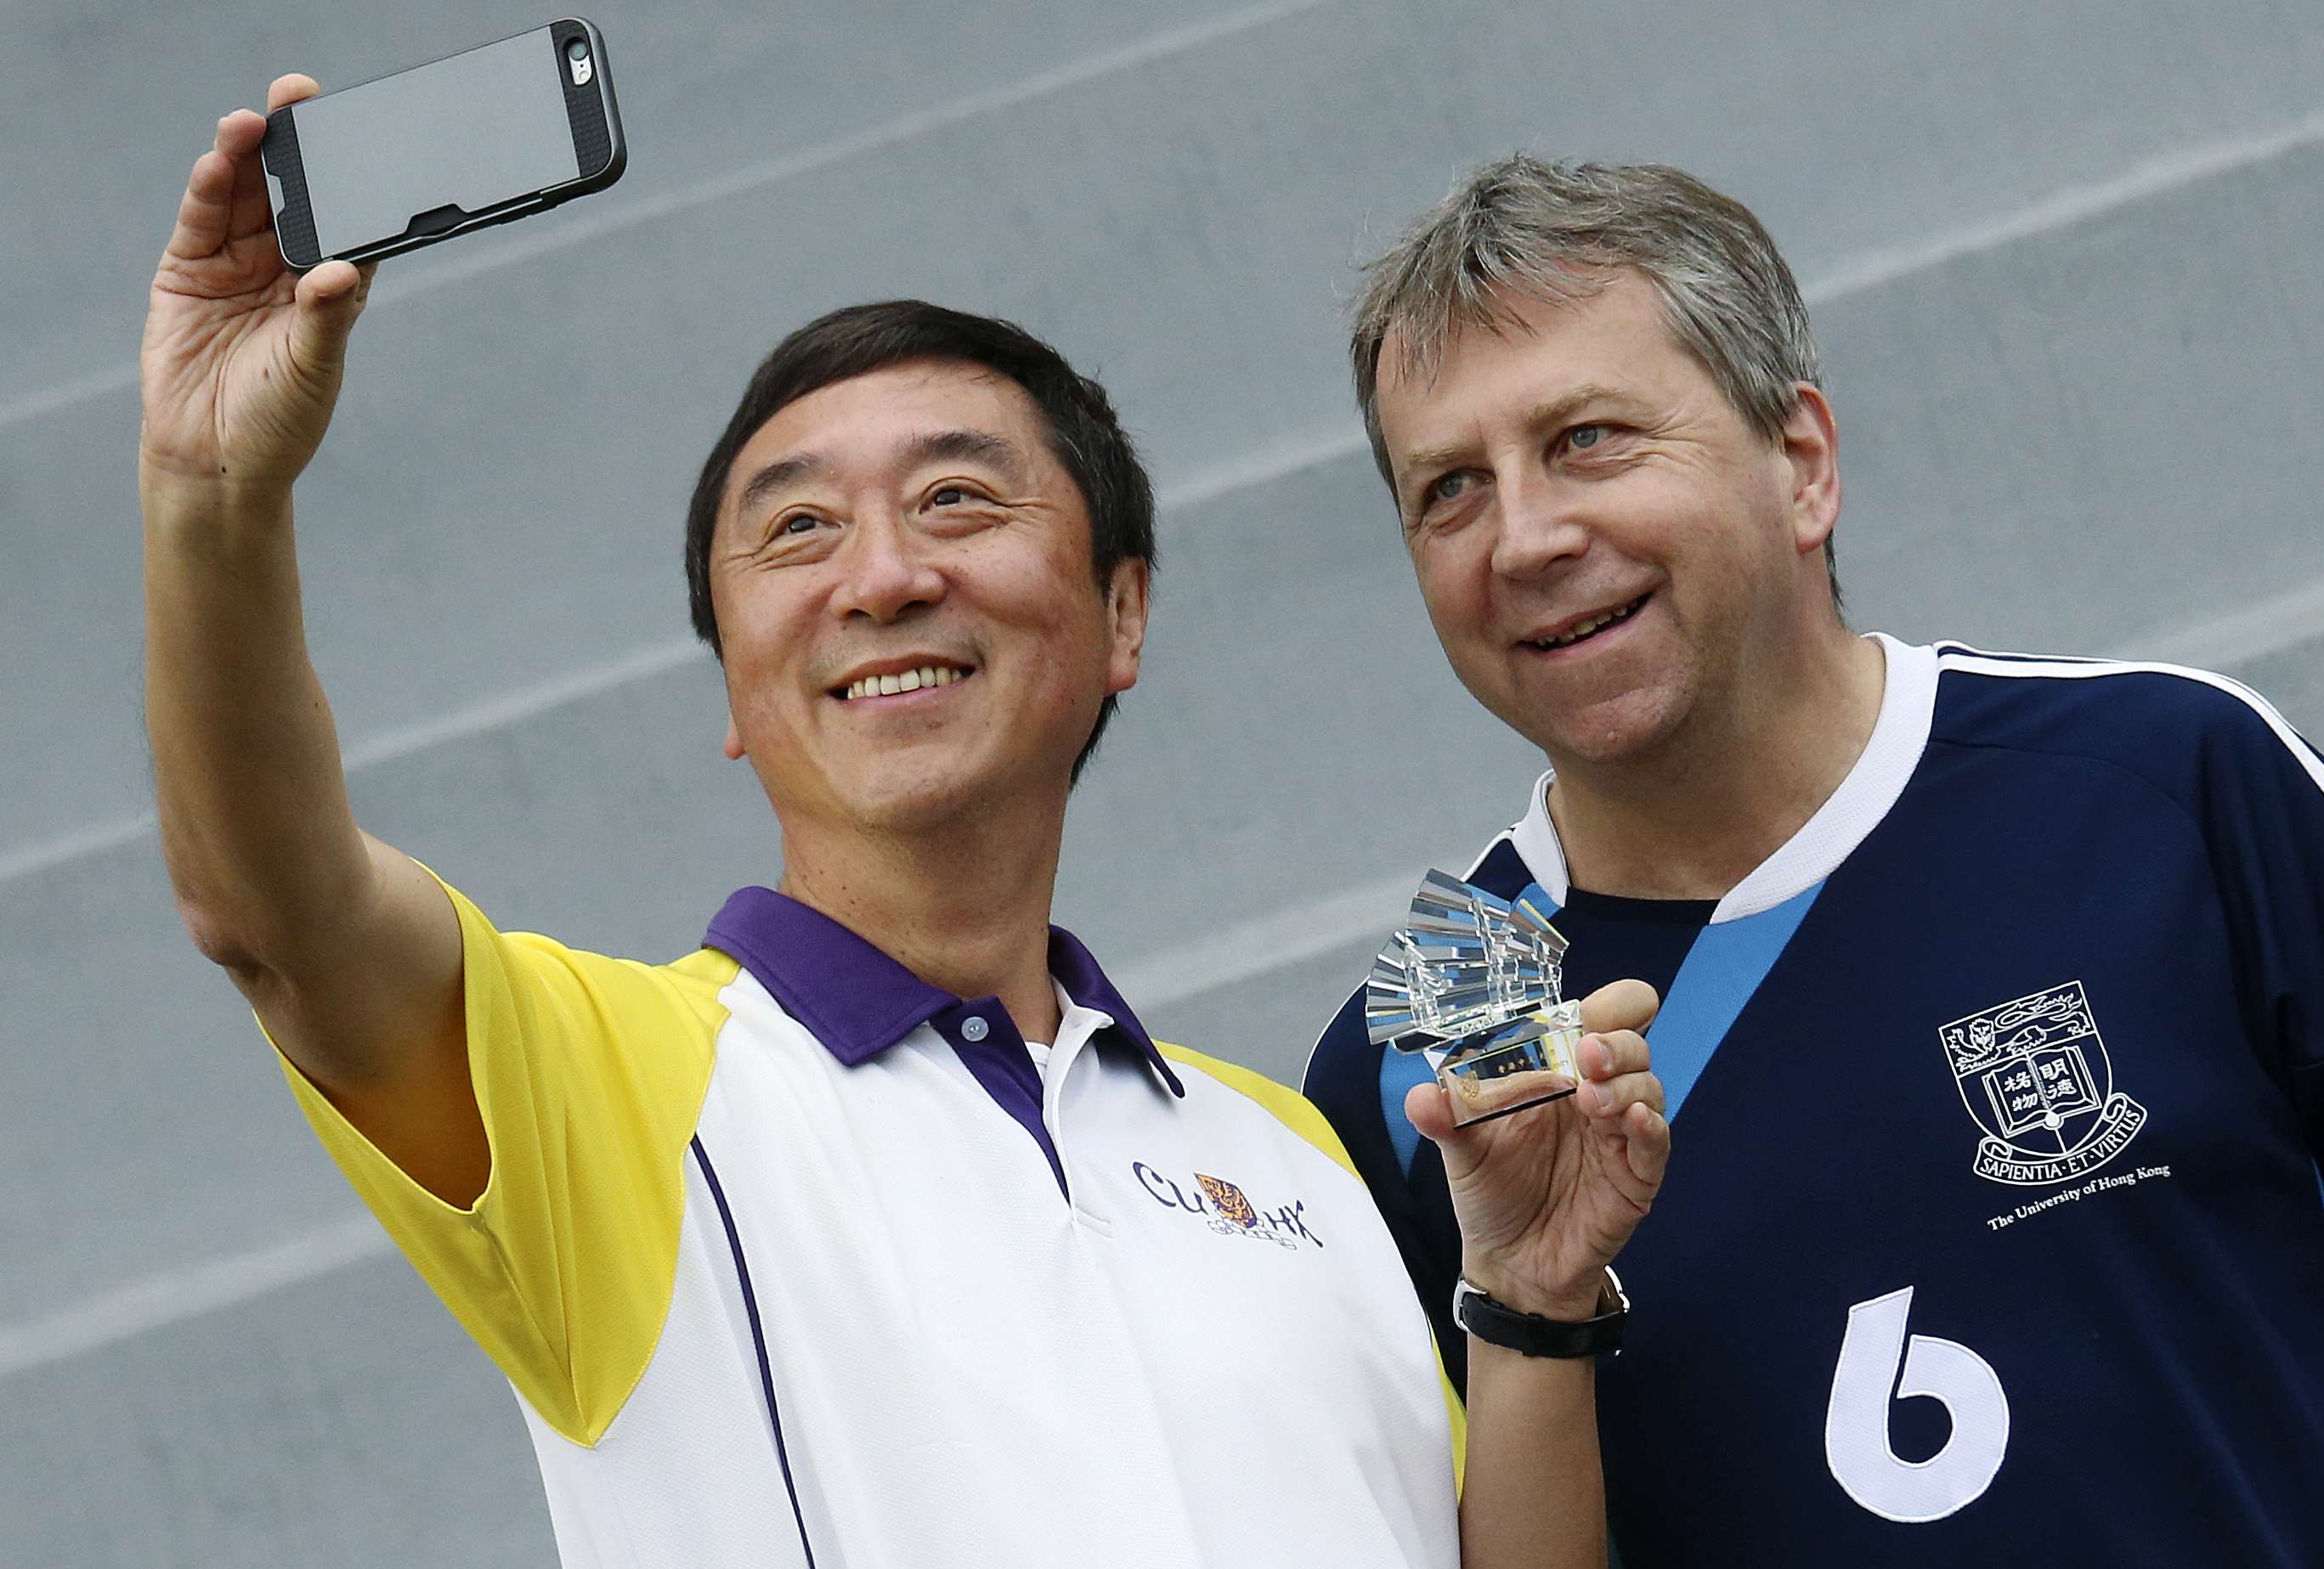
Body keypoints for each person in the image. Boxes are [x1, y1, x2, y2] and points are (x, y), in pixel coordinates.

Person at [140, 77, 1671, 1569]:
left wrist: (1530, 1303)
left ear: (1120, 611)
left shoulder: (1294, 1152)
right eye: (795, 529)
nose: (879, 578)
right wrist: (210, 498)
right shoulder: (600, 1090)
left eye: (955, 499)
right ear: (736, 685)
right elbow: (277, 916)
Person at [1303, 154, 2324, 1564]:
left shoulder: (2165, 775)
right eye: (1448, 490)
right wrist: (1526, 1305)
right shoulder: (1431, 1031)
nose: (1527, 538)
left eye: (1589, 440)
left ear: (1799, 463)